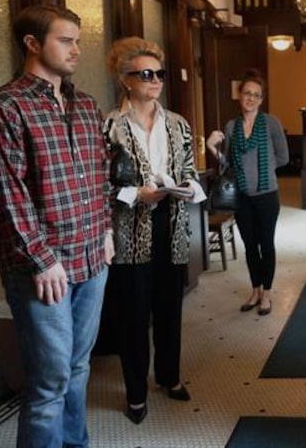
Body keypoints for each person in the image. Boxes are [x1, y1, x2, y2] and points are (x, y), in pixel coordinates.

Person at [0, 4, 112, 447]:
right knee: (48, 383)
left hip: (92, 258)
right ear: (33, 44)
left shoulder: (86, 105)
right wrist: (41, 259)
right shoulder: (3, 107)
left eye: (77, 40)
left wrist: (106, 232)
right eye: (65, 40)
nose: (76, 50)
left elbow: (100, 175)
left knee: (78, 369)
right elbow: (6, 196)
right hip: (44, 270)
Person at [103, 37, 206, 424]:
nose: (156, 80)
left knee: (169, 308)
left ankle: (169, 376)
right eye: (146, 74)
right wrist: (135, 194)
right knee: (132, 315)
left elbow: (191, 174)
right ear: (126, 79)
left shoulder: (178, 124)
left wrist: (190, 189)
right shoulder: (110, 125)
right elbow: (99, 183)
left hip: (173, 224)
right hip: (130, 232)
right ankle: (134, 393)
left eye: (159, 73)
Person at [206, 69, 289, 316]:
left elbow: (283, 157)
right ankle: (255, 290)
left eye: (256, 95)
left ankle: (267, 293)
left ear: (261, 99)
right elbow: (227, 164)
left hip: (267, 196)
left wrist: (261, 171)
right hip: (242, 197)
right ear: (239, 96)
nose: (251, 98)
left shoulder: (272, 123)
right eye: (247, 93)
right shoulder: (231, 127)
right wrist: (212, 147)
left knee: (266, 244)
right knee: (250, 246)